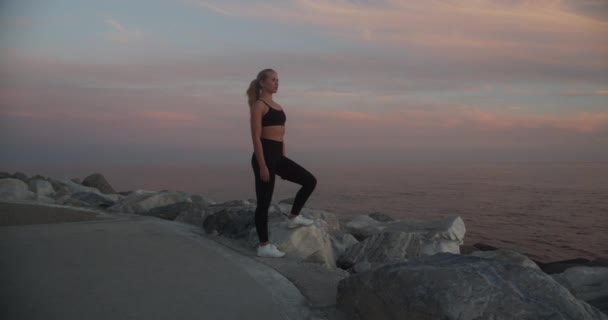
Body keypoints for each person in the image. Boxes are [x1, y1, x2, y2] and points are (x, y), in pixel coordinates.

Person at [247, 68, 317, 258]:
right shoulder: (259, 106)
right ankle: (264, 246)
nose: (276, 83)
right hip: (264, 156)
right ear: (262, 82)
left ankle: (294, 217)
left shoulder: (278, 105)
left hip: (278, 156)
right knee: (264, 202)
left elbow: (281, 135)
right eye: (273, 79)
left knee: (310, 181)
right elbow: (255, 138)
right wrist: (262, 165)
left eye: (278, 80)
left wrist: (283, 159)